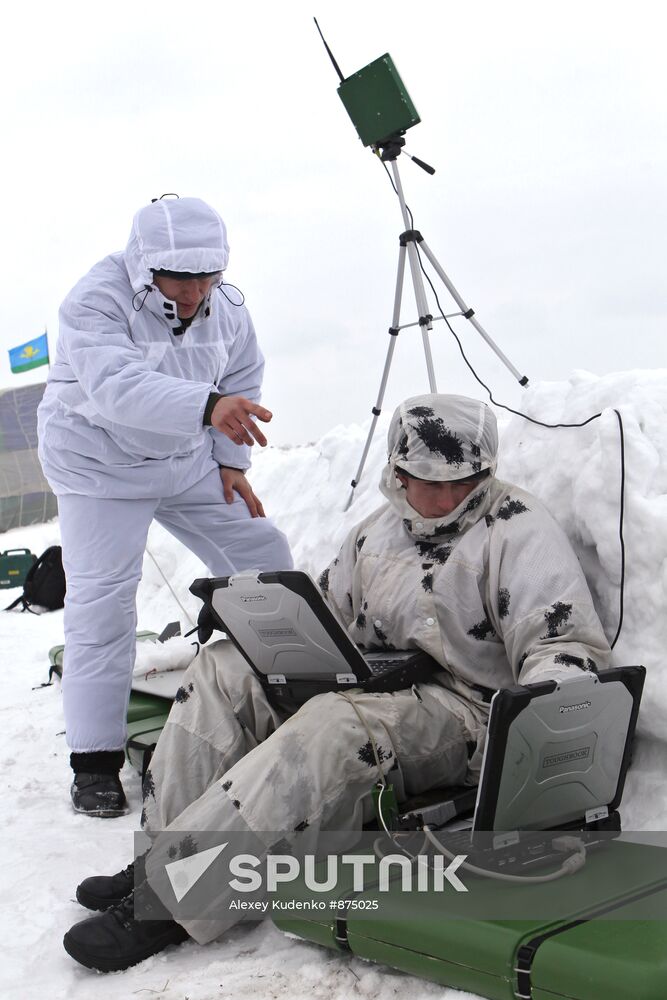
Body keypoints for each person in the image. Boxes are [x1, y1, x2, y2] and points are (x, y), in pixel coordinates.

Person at [62, 393, 611, 972]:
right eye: (430, 483)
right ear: (397, 476)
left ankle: (169, 899)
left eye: (466, 481)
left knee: (332, 725)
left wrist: (535, 729)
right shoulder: (376, 533)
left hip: (463, 709)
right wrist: (256, 621)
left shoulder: (518, 531)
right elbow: (326, 612)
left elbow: (564, 646)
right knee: (224, 669)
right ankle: (165, 851)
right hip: (374, 681)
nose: (450, 498)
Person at [37, 196, 293, 818]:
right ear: (144, 265)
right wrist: (208, 408)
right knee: (102, 602)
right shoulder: (94, 301)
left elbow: (244, 375)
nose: (196, 289)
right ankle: (93, 762)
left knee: (264, 555)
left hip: (184, 459)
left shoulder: (225, 306)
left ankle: (293, 689)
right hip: (98, 466)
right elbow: (116, 386)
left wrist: (231, 462)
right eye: (181, 276)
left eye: (209, 275)